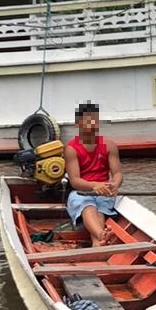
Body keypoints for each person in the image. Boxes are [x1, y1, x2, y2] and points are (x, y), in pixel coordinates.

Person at [63, 102, 123, 246]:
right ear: (78, 124)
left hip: (104, 193)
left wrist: (114, 184)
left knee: (100, 210)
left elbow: (118, 173)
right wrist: (95, 186)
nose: (92, 123)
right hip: (81, 193)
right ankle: (102, 235)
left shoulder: (109, 146)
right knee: (88, 207)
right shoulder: (71, 148)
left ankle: (99, 240)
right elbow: (75, 181)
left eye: (94, 119)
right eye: (87, 120)